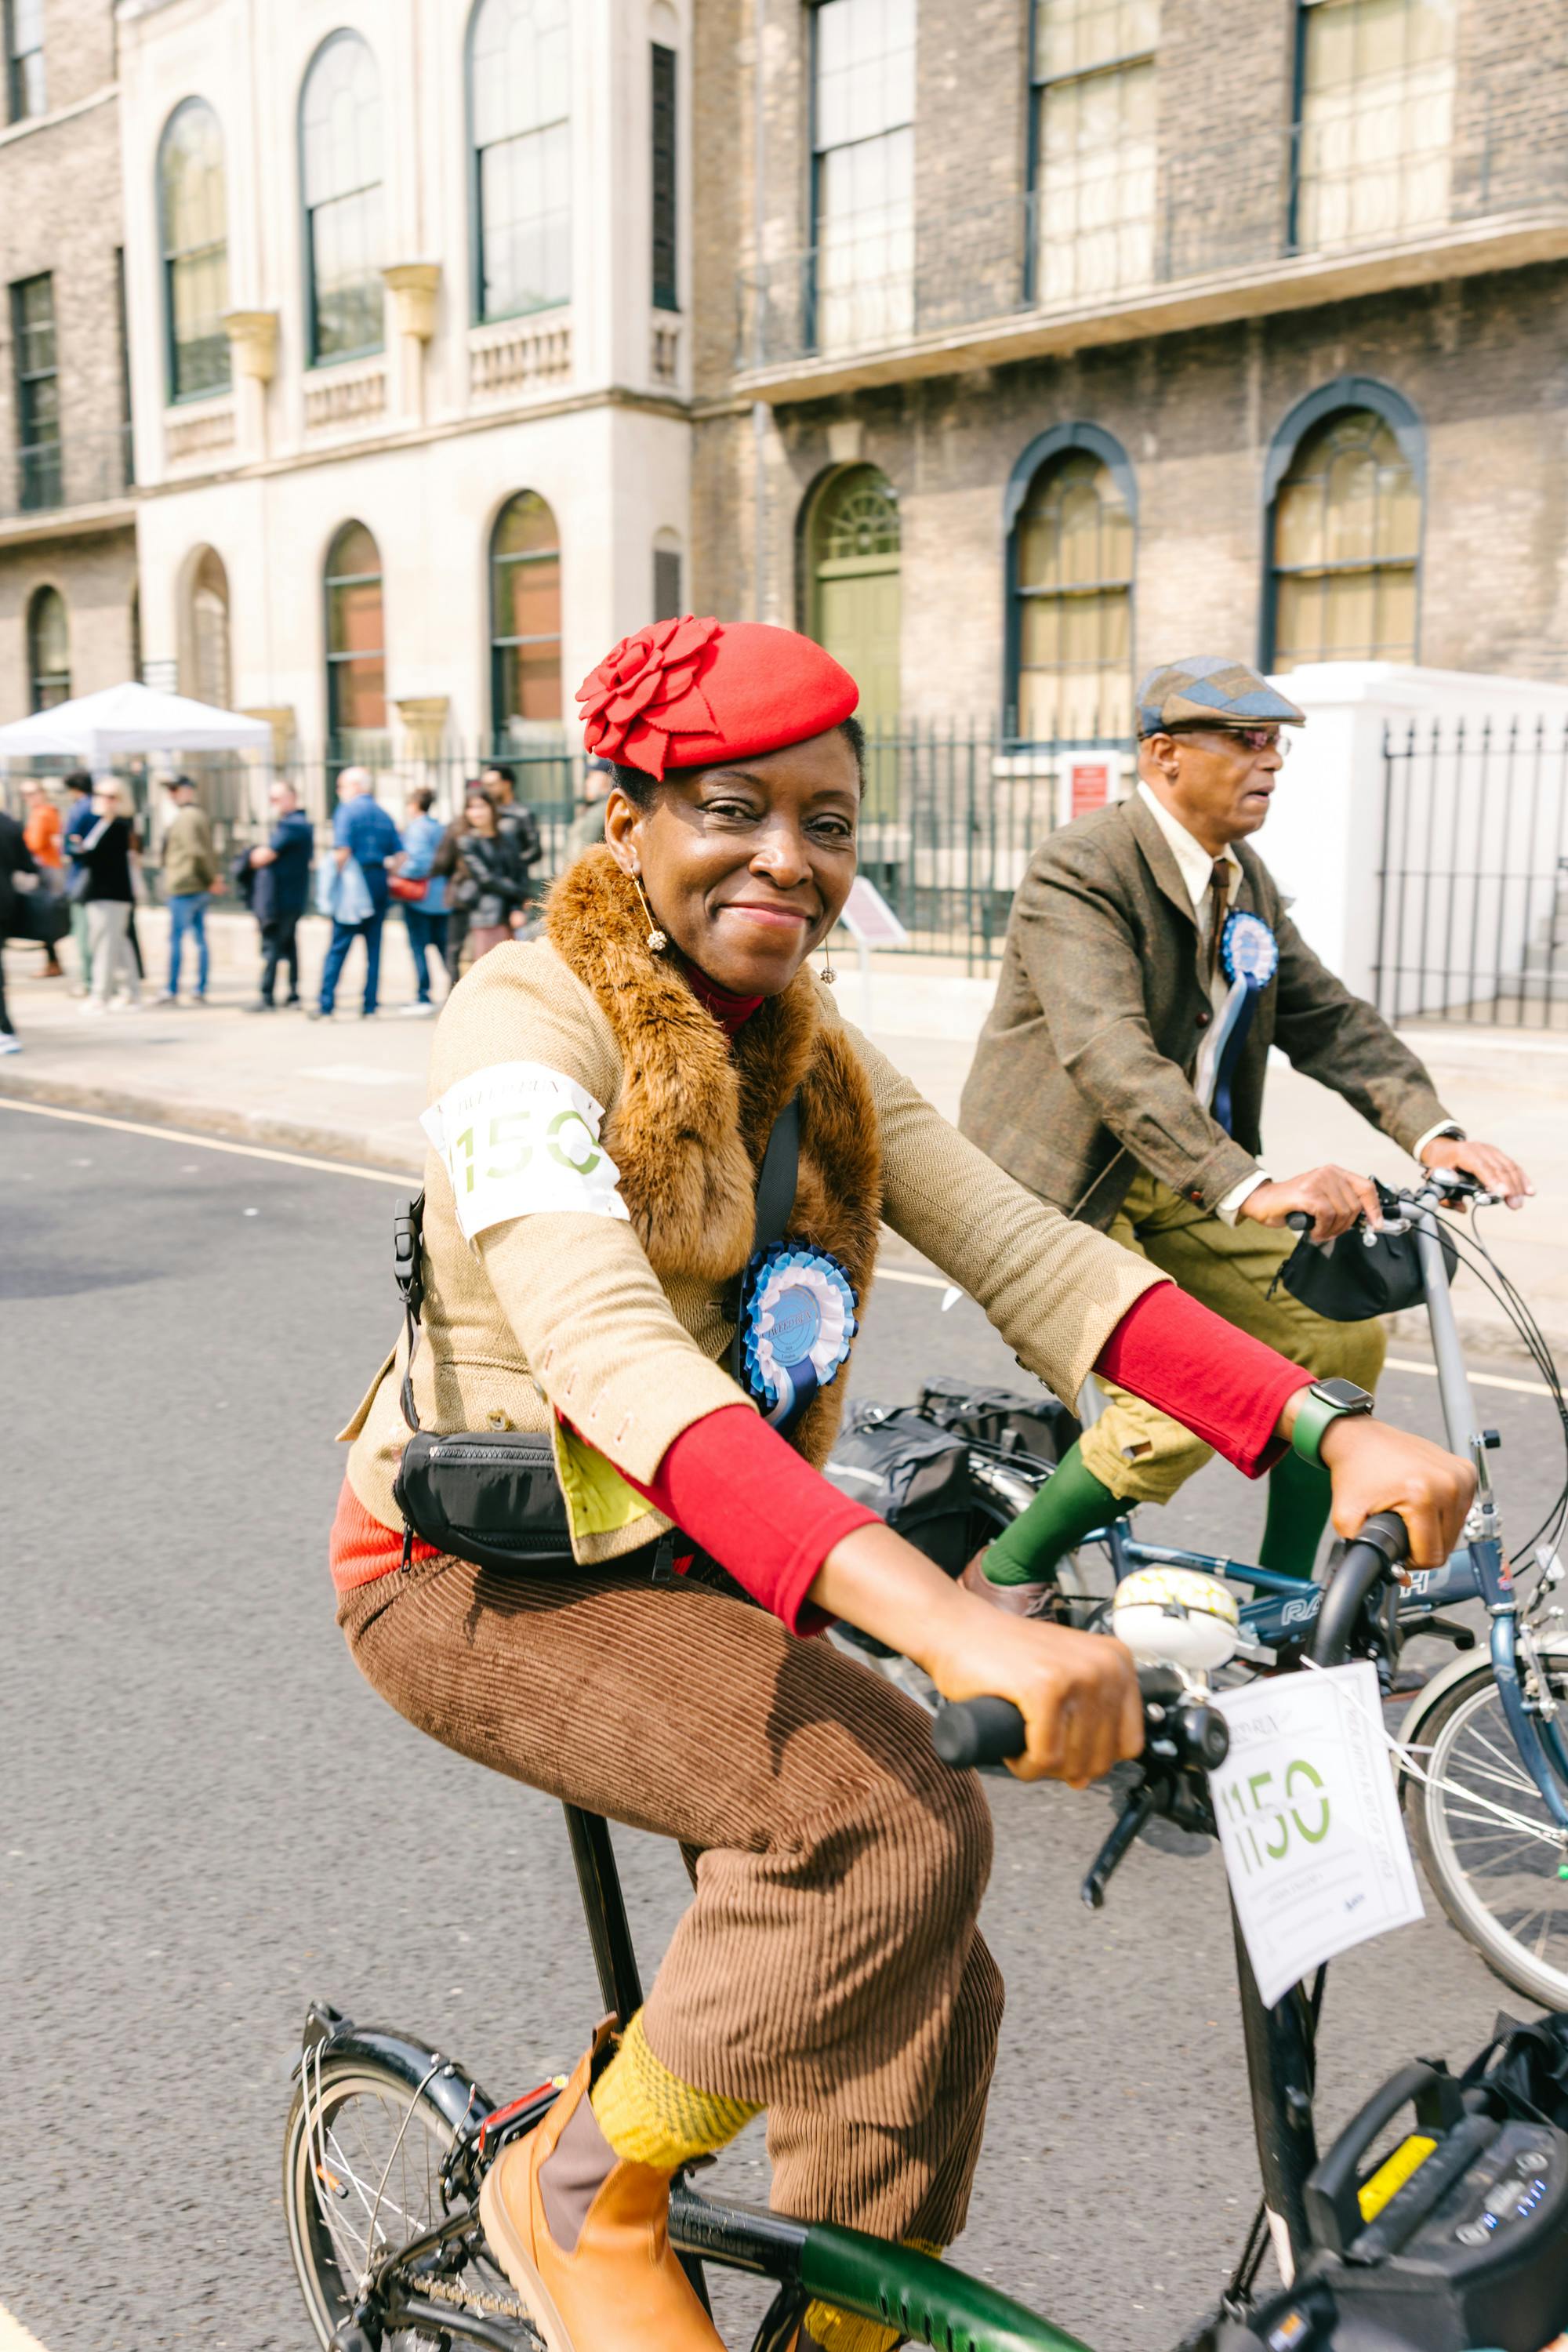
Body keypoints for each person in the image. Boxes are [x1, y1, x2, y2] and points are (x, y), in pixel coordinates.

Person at [329, 616, 1472, 2352]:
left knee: (920, 1981)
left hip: (698, 1564)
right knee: (885, 1825)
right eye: (731, 807)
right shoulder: (519, 1021)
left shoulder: (811, 1042)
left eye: (830, 820)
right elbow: (606, 1353)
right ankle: (579, 2187)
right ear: (622, 814)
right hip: (489, 1581)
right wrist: (948, 1621)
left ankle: (847, 2337)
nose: (788, 858)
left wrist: (1323, 1427)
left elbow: (1036, 1254)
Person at [959, 656, 1534, 1614]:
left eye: (1274, 744)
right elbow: (1110, 1052)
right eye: (1243, 740)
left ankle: (1292, 1604)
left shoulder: (1241, 879)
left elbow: (1326, 1018)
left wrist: (1433, 1136)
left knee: (1336, 1344)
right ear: (1163, 755)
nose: (1268, 762)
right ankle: (999, 1579)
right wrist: (1247, 1185)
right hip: (1053, 1192)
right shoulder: (1083, 866)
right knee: (1181, 1401)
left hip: (1172, 1178)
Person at [314, 767, 403, 1020]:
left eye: (341, 786)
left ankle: (326, 1004)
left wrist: (330, 888)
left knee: (339, 946)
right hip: (378, 882)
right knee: (373, 949)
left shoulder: (347, 811)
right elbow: (400, 856)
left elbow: (342, 852)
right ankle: (370, 1004)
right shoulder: (384, 814)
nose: (339, 791)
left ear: (355, 786)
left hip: (353, 886)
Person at [245, 780, 316, 1011]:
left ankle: (268, 995)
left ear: (291, 797)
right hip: (291, 896)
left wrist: (251, 855)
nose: (273, 804)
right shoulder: (298, 824)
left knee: (274, 946)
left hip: (282, 897)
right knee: (288, 945)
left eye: (276, 798)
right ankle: (293, 993)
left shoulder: (292, 826)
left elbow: (262, 857)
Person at [76, 783, 141, 1013]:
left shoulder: (120, 827)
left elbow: (97, 856)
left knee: (106, 945)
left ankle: (100, 995)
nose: (106, 800)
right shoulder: (100, 824)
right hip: (103, 894)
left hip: (111, 894)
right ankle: (130, 993)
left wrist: (82, 850)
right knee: (119, 945)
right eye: (102, 796)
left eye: (112, 796)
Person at [155, 776, 220, 1006]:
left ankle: (173, 988)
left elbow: (196, 851)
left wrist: (209, 878)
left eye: (175, 790)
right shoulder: (194, 815)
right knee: (199, 939)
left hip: (186, 886)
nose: (171, 795)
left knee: (178, 939)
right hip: (195, 885)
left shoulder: (187, 817)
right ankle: (198, 988)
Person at [449, 782, 528, 960]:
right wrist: (520, 893)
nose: (476, 813)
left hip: (510, 914)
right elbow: (485, 878)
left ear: (491, 807)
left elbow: (518, 870)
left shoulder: (507, 836)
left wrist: (517, 906)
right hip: (486, 915)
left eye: (480, 806)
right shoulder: (467, 842)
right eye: (470, 808)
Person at [395, 784, 448, 1017]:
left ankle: (423, 994)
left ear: (414, 805)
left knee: (419, 947)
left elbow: (420, 863)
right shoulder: (439, 828)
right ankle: (455, 988)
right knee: (443, 947)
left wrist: (399, 872)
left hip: (421, 897)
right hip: (442, 896)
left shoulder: (416, 829)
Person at [0, 801, 40, 1053]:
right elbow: (29, 866)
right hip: (4, 905)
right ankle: (5, 1030)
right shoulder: (8, 824)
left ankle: (5, 1030)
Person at [19, 780, 64, 978]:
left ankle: (53, 963)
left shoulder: (43, 813)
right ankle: (53, 961)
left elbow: (34, 843)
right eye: (25, 794)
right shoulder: (47, 812)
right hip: (48, 867)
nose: (29, 798)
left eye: (32, 793)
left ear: (42, 793)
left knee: (44, 916)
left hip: (45, 868)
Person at [61, 770, 97, 994]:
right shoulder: (101, 808)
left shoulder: (80, 809)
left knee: (83, 932)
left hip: (82, 878)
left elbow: (70, 846)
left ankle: (88, 979)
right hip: (103, 880)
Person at [480, 759, 543, 886]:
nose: (486, 790)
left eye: (491, 785)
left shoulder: (522, 813)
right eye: (484, 785)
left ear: (506, 784)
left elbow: (535, 850)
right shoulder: (484, 812)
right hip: (487, 881)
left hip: (514, 883)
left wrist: (511, 863)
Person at [563, 757, 614, 861]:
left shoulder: (604, 809)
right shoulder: (597, 808)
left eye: (592, 777)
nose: (587, 783)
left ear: (608, 779)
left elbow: (582, 854)